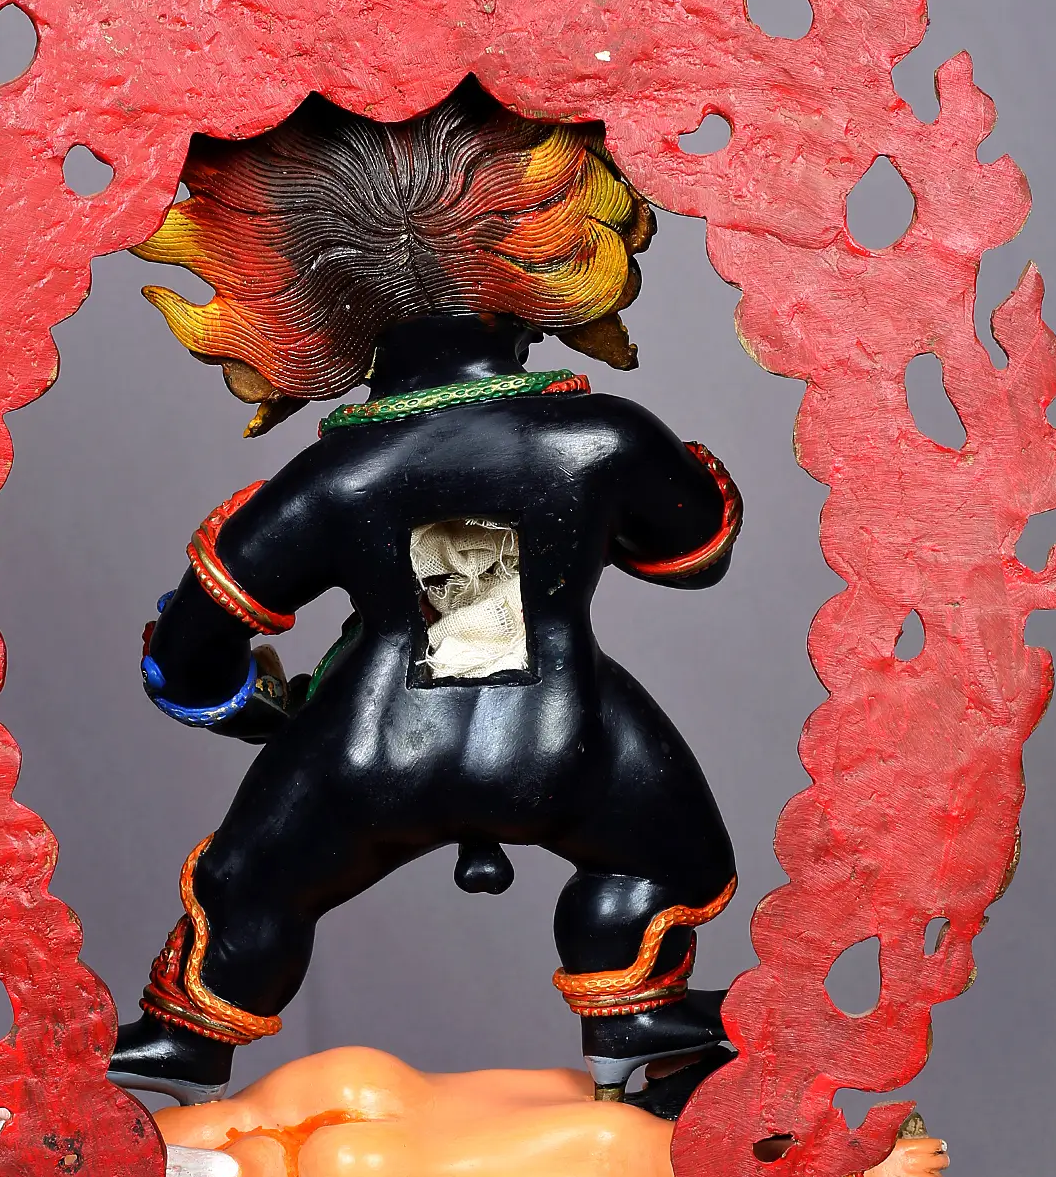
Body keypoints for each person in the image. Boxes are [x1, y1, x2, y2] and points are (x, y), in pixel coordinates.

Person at [112, 80, 744, 1105]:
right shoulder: (602, 439)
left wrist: (252, 710)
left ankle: (179, 1049)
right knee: (664, 862)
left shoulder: (330, 480)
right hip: (565, 740)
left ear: (307, 297)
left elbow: (188, 657)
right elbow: (696, 548)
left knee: (252, 887)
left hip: (367, 752)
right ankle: (635, 1019)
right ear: (551, 255)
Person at [135, 1046, 959, 1177]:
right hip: (369, 1158)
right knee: (262, 1153)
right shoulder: (616, 1135)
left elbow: (715, 1168)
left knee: (249, 1131)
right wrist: (860, 1175)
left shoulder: (598, 1106)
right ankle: (112, 1164)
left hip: (365, 1100)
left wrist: (859, 1167)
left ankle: (104, 1159)